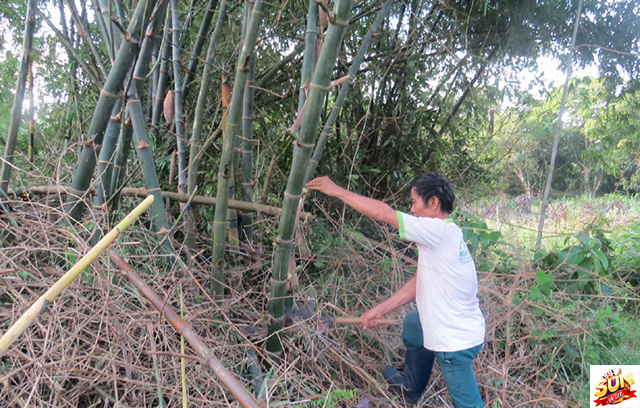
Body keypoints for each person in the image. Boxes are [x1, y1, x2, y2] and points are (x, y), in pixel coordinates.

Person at [306, 173, 485, 408]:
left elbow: (383, 214)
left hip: (455, 341)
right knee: (414, 323)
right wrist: (379, 310)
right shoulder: (446, 234)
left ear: (433, 203)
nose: (411, 210)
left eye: (414, 202)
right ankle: (411, 388)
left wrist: (337, 190)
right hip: (462, 325)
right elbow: (418, 282)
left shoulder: (436, 230)